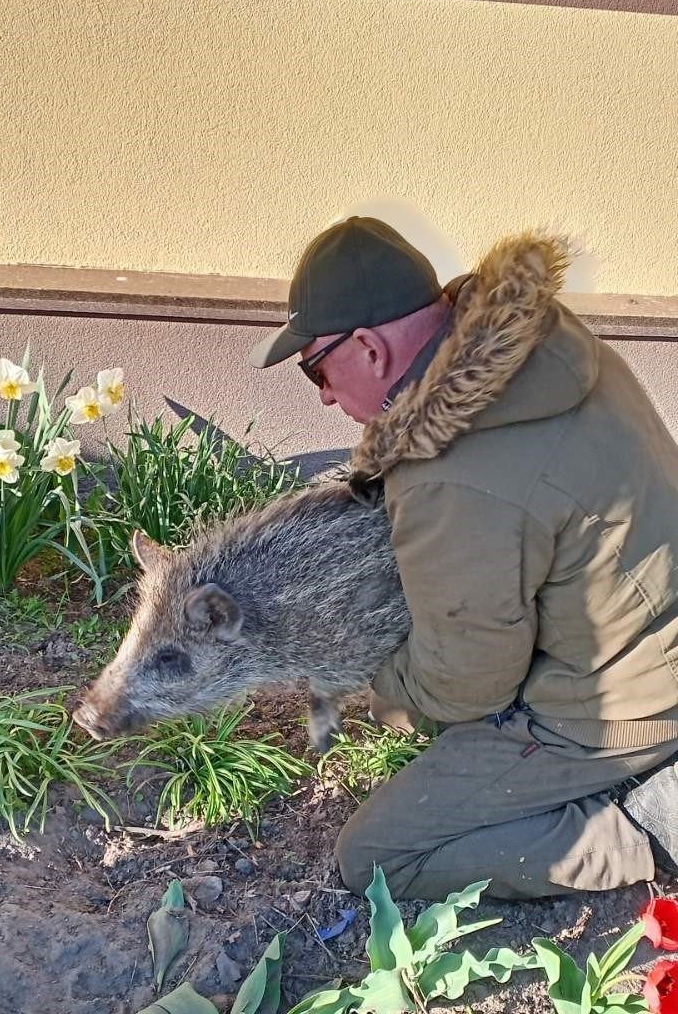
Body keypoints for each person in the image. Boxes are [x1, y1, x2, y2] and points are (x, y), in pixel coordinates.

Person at [248, 215, 678, 901]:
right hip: (652, 626)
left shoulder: (449, 474)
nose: (325, 393)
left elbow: (468, 687)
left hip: (627, 702)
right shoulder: (542, 343)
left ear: (368, 347)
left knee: (380, 855)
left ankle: (646, 824)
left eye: (315, 369)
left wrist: (361, 678)